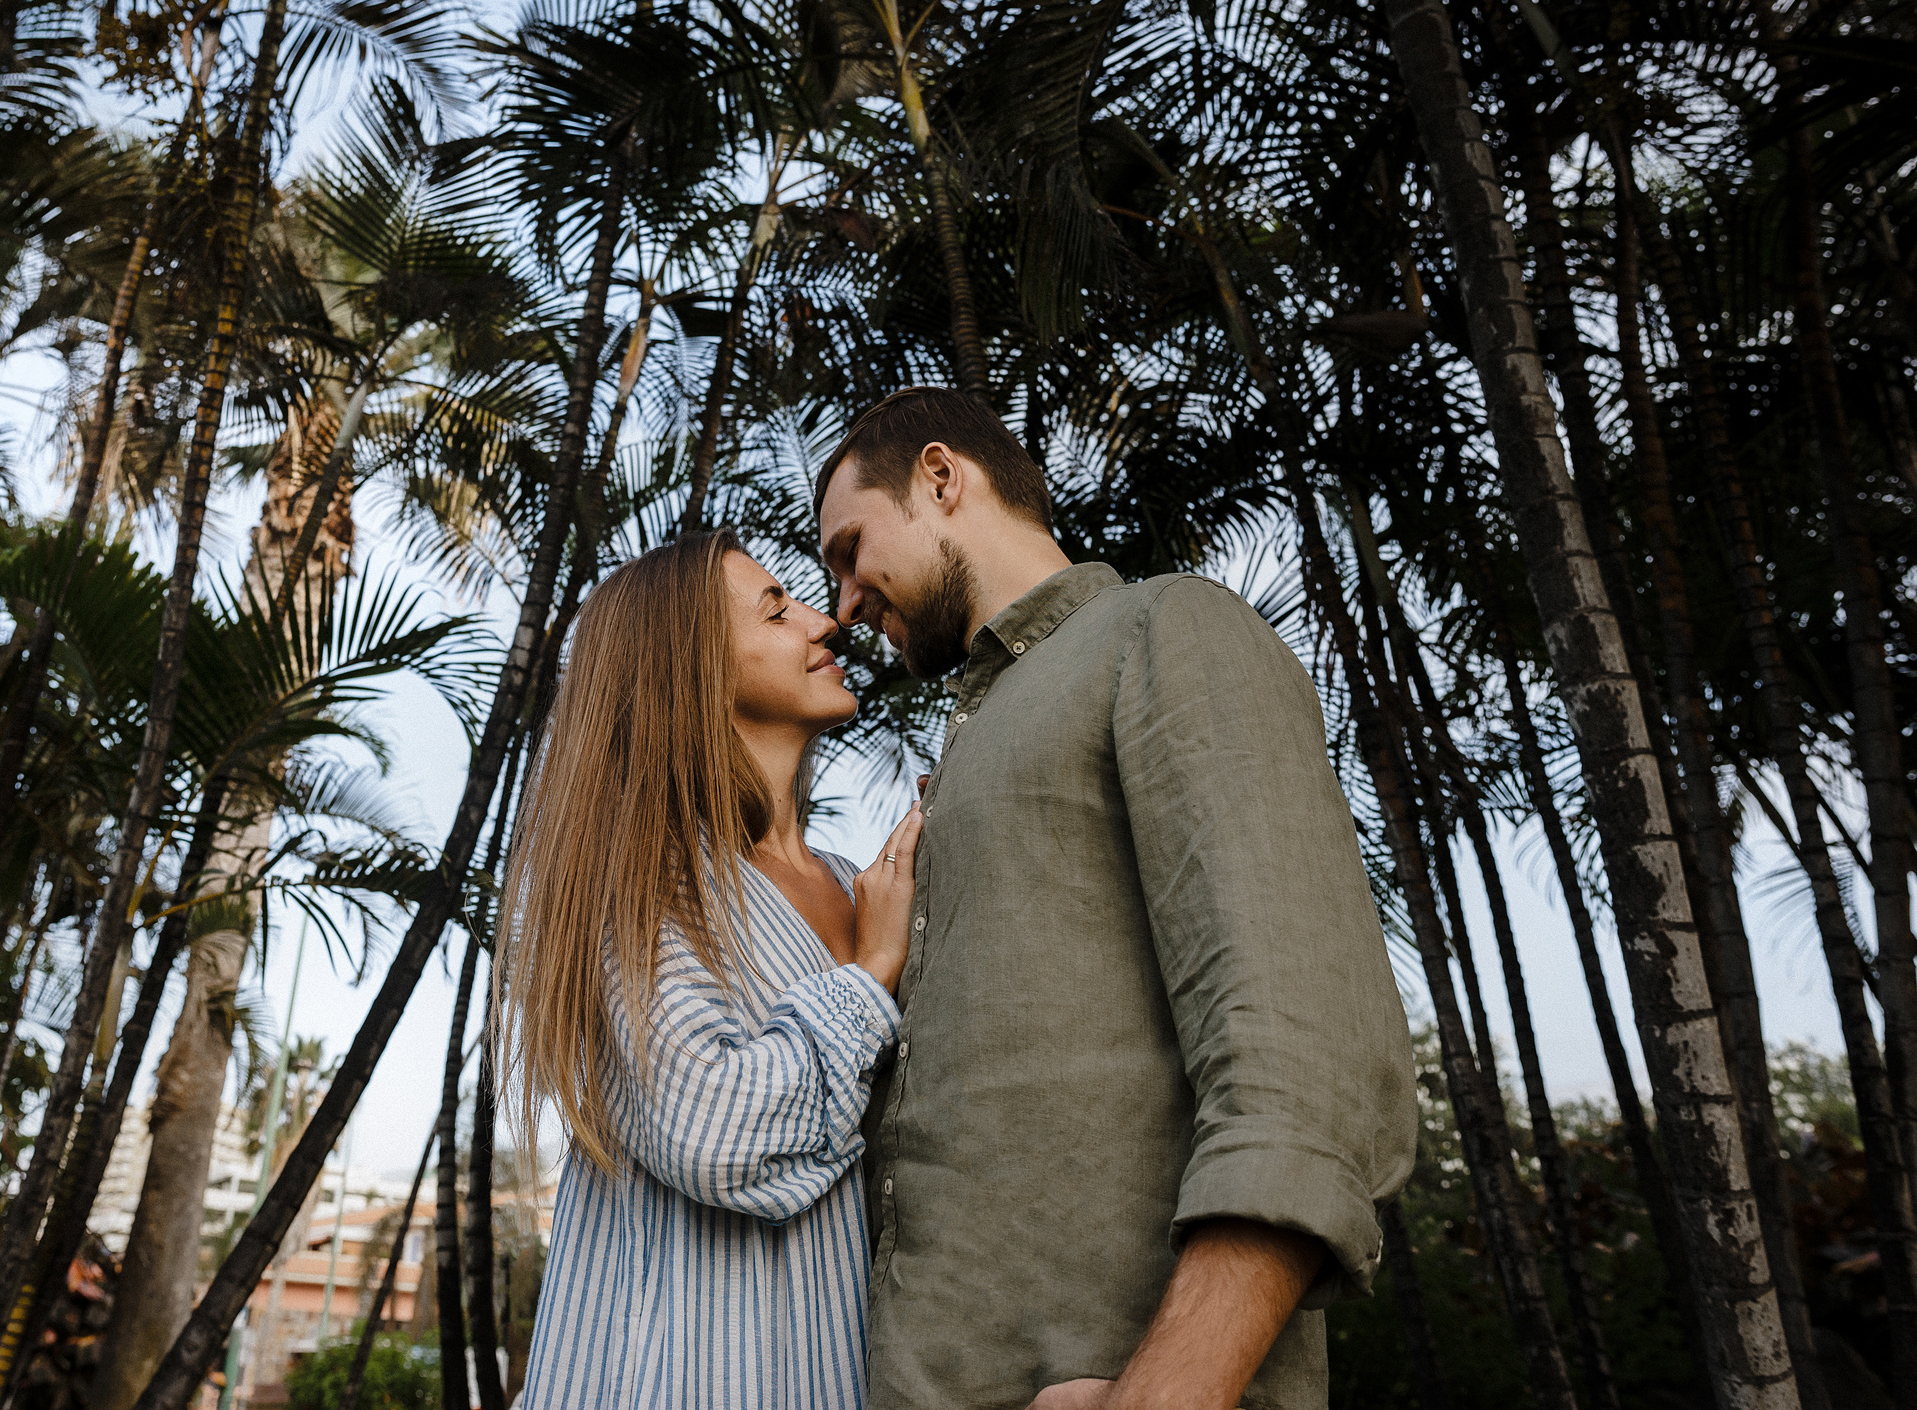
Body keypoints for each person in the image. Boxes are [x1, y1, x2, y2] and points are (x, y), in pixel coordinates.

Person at [814, 388, 1416, 1410]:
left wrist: (1167, 1391)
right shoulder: (969, 748)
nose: (842, 606)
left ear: (941, 477)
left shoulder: (1163, 630)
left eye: (849, 548)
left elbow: (1300, 1066)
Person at [498, 528, 923, 1410]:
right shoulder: (647, 881)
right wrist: (872, 971)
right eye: (776, 611)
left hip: (838, 1371)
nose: (824, 622)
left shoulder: (861, 884)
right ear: (692, 670)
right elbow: (712, 1130)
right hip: (677, 1375)